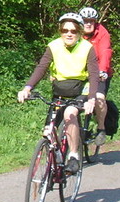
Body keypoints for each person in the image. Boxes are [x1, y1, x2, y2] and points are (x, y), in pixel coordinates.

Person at [17, 13, 100, 175]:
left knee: (70, 114)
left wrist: (91, 99)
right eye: (65, 30)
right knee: (48, 130)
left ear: (80, 32)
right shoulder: (53, 46)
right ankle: (54, 159)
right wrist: (27, 88)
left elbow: (94, 74)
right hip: (60, 91)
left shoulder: (87, 48)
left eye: (73, 31)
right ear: (60, 31)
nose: (69, 34)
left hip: (79, 90)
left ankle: (74, 155)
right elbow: (41, 68)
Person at [79, 6, 112, 145]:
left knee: (98, 98)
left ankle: (101, 128)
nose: (88, 24)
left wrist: (103, 70)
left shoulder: (102, 33)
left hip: (99, 72)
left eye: (91, 21)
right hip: (80, 72)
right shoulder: (75, 32)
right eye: (85, 21)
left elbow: (105, 52)